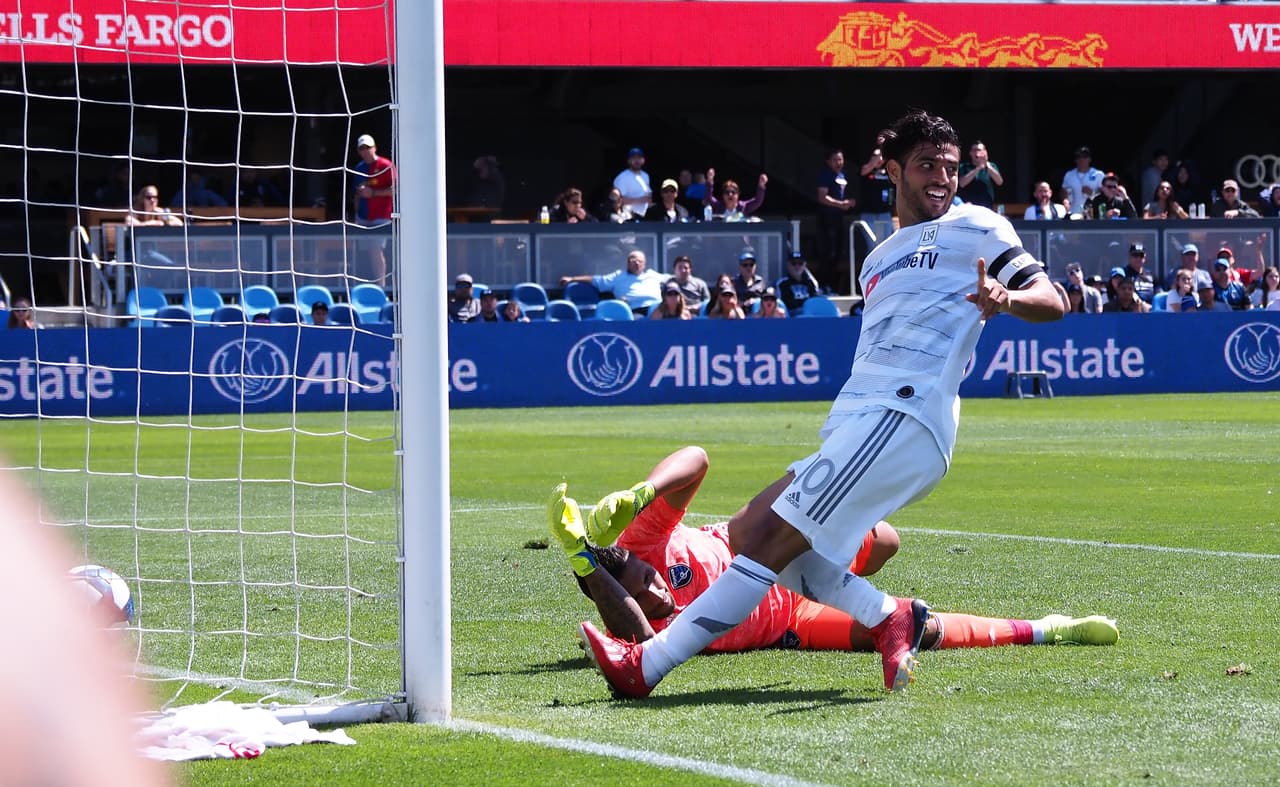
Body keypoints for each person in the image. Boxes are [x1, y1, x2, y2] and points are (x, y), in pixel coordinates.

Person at [578, 108, 1066, 698]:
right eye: (927, 165)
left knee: (764, 546)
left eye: (952, 168)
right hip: (859, 423)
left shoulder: (982, 227)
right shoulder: (877, 260)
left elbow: (1053, 298)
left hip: (907, 416)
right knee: (760, 541)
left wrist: (1005, 298)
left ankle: (646, 665)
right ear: (893, 171)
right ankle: (889, 615)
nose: (942, 178)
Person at [550, 447, 1117, 660]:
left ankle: (834, 530)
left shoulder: (640, 541)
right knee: (917, 626)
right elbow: (644, 646)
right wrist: (580, 560)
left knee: (887, 541)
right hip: (788, 620)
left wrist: (640, 493)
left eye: (648, 579)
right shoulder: (635, 627)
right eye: (648, 601)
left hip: (767, 542)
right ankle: (1049, 628)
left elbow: (695, 458)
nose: (658, 592)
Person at [559, 249, 666, 312]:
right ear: (628, 263)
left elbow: (675, 279)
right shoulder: (618, 276)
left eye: (640, 261)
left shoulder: (653, 275)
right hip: (633, 311)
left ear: (644, 264)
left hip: (657, 309)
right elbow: (596, 280)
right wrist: (572, 279)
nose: (637, 263)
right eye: (633, 260)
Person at [353, 134, 396, 284]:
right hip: (363, 217)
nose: (365, 151)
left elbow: (396, 189)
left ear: (375, 148)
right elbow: (356, 194)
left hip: (381, 216)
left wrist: (374, 193)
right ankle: (366, 283)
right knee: (366, 252)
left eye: (368, 147)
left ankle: (381, 285)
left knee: (376, 250)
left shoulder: (386, 165)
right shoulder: (359, 168)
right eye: (362, 148)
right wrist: (355, 216)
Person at [815, 149, 856, 291]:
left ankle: (833, 286)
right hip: (827, 219)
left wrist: (850, 202)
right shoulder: (825, 174)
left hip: (839, 219)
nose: (839, 163)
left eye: (841, 159)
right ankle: (823, 285)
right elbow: (822, 197)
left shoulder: (842, 175)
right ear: (828, 161)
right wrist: (840, 204)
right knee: (828, 252)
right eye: (835, 160)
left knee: (838, 252)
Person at [956, 140, 1003, 209]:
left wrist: (987, 165)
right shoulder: (964, 166)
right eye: (974, 150)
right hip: (969, 205)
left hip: (987, 205)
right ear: (970, 153)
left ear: (985, 152)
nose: (977, 153)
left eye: (979, 150)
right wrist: (978, 168)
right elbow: (961, 183)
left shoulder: (991, 166)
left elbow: (1000, 182)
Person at [1062, 146, 1104, 217]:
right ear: (1075, 160)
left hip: (1093, 214)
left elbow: (1105, 194)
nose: (1081, 159)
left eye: (1084, 157)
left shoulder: (1098, 174)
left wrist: (1092, 193)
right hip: (1073, 213)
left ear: (1089, 159)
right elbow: (1063, 192)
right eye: (1079, 157)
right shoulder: (1069, 175)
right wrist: (1065, 200)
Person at [613, 147, 652, 215]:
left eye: (639, 158)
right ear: (628, 160)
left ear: (643, 160)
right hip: (628, 218)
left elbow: (648, 196)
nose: (637, 160)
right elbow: (616, 201)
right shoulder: (622, 177)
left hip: (645, 217)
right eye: (634, 158)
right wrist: (640, 200)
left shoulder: (646, 176)